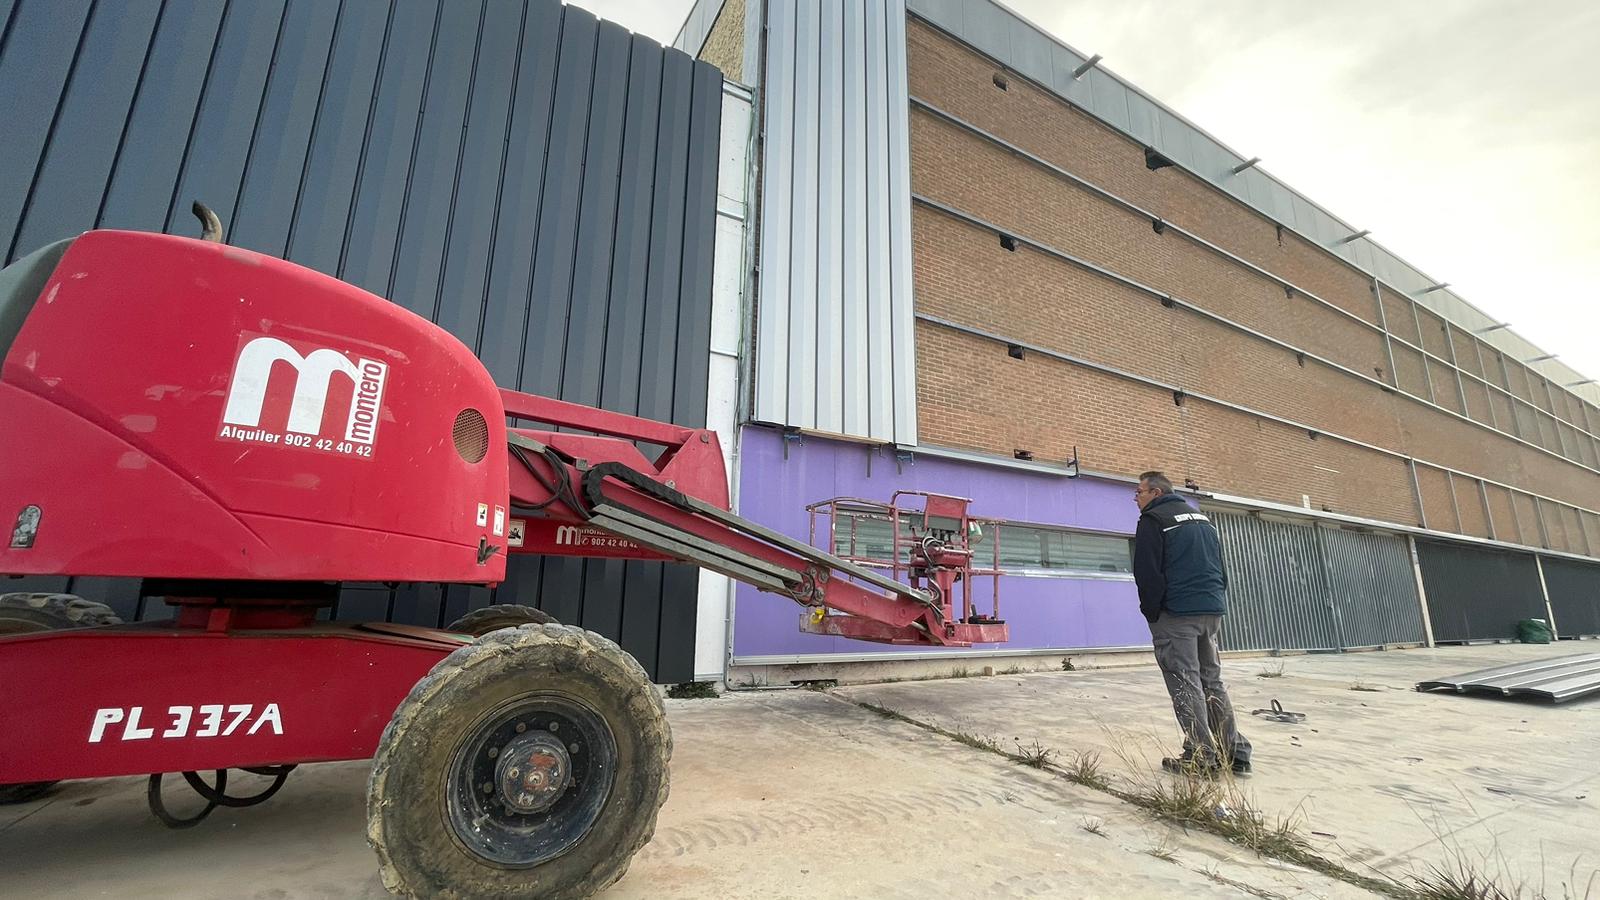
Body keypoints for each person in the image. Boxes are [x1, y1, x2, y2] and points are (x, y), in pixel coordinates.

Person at [1132, 471, 1252, 776]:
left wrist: (1152, 611)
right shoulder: (1201, 519)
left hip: (1177, 614)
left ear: (1156, 493)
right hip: (1210, 610)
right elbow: (1219, 566)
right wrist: (1215, 600)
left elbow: (1147, 572)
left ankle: (1200, 754)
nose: (1136, 498)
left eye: (1139, 492)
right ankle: (1234, 752)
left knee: (1185, 681)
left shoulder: (1154, 519)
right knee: (1211, 680)